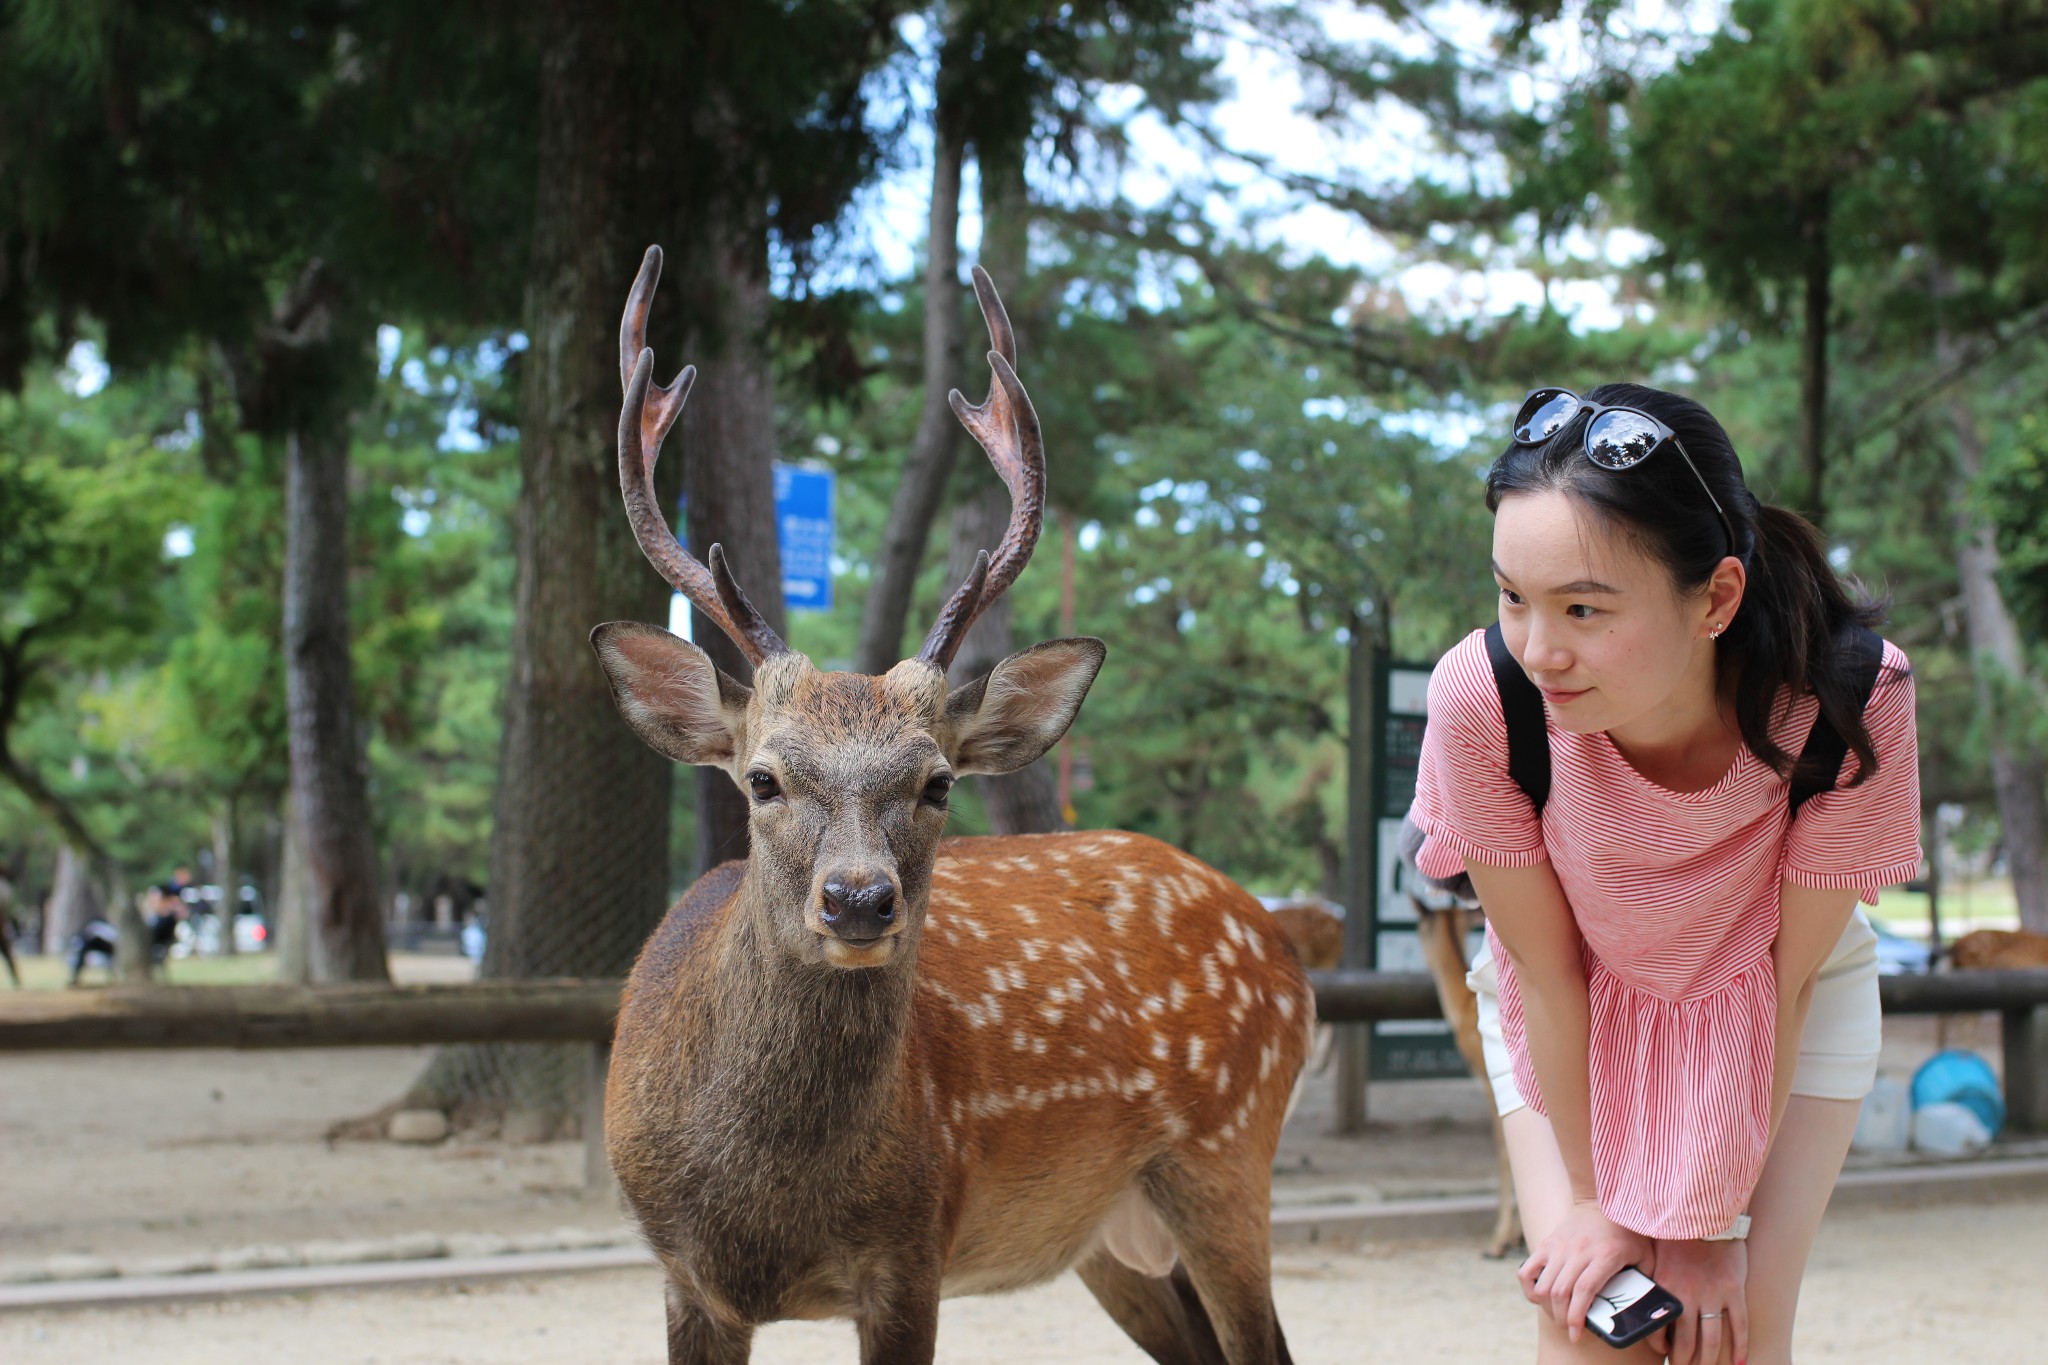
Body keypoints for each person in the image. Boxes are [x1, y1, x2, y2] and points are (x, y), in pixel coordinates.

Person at [1408, 385, 1921, 1365]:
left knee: (1725, 1341)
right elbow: (1548, 974)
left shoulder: (1846, 696)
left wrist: (1707, 1223)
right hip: (1567, 1000)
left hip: (1772, 1000)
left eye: (1583, 609)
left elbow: (1783, 975)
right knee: (1597, 1332)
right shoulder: (1482, 698)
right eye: (1511, 596)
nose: (1540, 649)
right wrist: (1602, 1204)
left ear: (1715, 598)